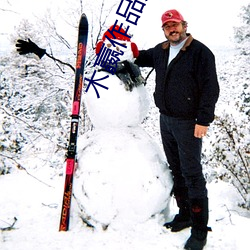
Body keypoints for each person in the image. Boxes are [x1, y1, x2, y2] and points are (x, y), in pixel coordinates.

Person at [135, 9, 219, 250]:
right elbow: (141, 57)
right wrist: (128, 51)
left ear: (184, 24)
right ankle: (185, 214)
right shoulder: (161, 51)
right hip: (166, 120)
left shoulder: (200, 52)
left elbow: (210, 88)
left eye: (175, 24)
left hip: (189, 123)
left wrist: (203, 120)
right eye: (167, 26)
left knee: (192, 173)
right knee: (177, 169)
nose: (172, 29)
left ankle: (200, 231)